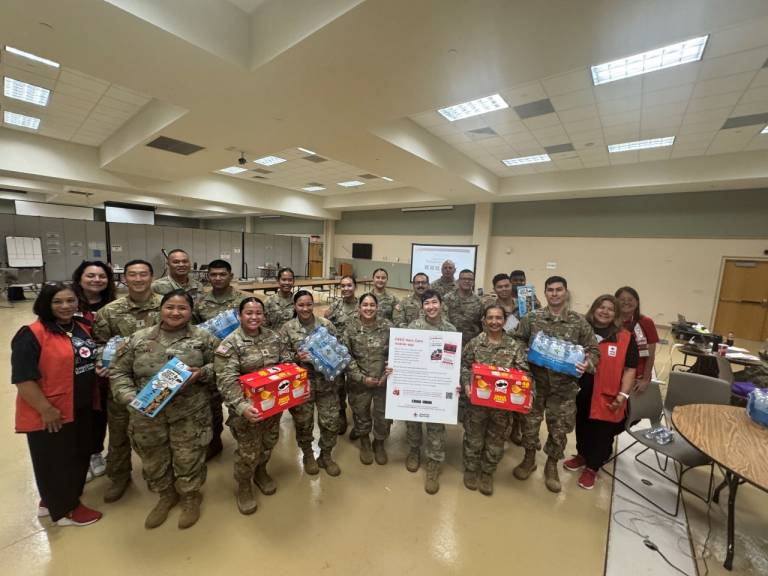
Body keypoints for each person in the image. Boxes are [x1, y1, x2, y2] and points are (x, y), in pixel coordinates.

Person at [110, 290, 217, 530]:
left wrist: (202, 373)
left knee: (188, 456)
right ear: (161, 309)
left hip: (190, 411)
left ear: (191, 311)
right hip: (147, 413)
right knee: (153, 458)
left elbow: (220, 366)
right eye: (170, 307)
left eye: (182, 308)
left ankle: (190, 496)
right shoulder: (137, 339)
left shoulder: (204, 338)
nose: (175, 313)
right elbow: (118, 372)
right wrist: (130, 397)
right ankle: (165, 495)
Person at [11, 282, 103, 526]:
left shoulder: (82, 327)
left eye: (70, 301)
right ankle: (66, 510)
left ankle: (51, 499)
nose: (65, 306)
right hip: (52, 410)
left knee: (77, 453)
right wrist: (45, 409)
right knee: (54, 459)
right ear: (45, 304)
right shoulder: (31, 334)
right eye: (57, 302)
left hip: (81, 404)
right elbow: (23, 378)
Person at [513, 276, 600, 493]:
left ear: (565, 292)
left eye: (558, 290)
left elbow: (594, 350)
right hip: (535, 383)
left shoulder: (579, 322)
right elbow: (517, 339)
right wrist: (523, 352)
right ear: (545, 293)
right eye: (550, 290)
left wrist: (587, 364)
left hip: (564, 388)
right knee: (530, 425)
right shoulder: (532, 318)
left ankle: (551, 465)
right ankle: (529, 458)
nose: (554, 294)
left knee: (559, 429)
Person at [93, 259, 162, 503]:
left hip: (157, 382)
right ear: (125, 279)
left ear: (151, 277)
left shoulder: (166, 305)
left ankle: (155, 475)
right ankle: (119, 477)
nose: (139, 279)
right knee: (120, 432)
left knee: (154, 433)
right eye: (133, 274)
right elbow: (99, 343)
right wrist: (102, 361)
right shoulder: (110, 311)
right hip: (123, 382)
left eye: (144, 274)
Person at [214, 297, 292, 514]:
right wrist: (241, 407)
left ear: (264, 315)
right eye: (249, 313)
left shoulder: (273, 337)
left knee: (268, 442)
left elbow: (285, 364)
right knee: (248, 451)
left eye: (258, 313)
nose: (254, 317)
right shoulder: (229, 344)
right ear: (240, 315)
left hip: (272, 407)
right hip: (247, 411)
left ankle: (261, 471)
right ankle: (244, 484)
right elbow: (226, 380)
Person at [565, 295, 637, 490]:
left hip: (608, 394)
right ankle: (582, 455)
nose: (605, 311)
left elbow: (631, 369)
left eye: (610, 309)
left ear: (616, 313)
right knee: (582, 423)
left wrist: (623, 395)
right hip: (581, 390)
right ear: (594, 309)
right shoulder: (582, 329)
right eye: (601, 307)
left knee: (602, 432)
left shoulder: (624, 336)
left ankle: (592, 467)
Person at [461, 303, 530, 495]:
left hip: (502, 407)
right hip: (476, 405)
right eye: (490, 317)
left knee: (496, 440)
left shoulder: (514, 347)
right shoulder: (475, 343)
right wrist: (467, 383)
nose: (494, 322)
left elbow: (525, 375)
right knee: (473, 438)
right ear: (484, 320)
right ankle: (471, 469)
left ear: (505, 321)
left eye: (498, 318)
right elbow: (465, 366)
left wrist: (526, 395)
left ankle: (487, 472)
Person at [280, 290, 342, 476]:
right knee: (304, 422)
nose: (305, 308)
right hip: (302, 386)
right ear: (295, 306)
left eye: (309, 304)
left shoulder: (326, 325)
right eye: (301, 305)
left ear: (313, 305)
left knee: (330, 421)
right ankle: (307, 453)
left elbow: (339, 350)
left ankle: (326, 455)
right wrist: (296, 357)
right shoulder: (288, 328)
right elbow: (281, 358)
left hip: (326, 384)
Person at [405, 289, 457, 495]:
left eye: (434, 302)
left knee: (436, 425)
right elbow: (406, 355)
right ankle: (413, 450)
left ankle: (434, 464)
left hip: (438, 386)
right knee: (413, 421)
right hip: (417, 383)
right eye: (427, 304)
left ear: (441, 304)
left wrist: (454, 382)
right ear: (422, 307)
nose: (431, 307)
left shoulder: (451, 330)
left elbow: (453, 362)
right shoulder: (414, 327)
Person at [193, 258, 245, 460]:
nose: (218, 278)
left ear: (230, 276)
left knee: (239, 404)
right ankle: (215, 442)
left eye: (222, 274)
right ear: (208, 277)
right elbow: (194, 331)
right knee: (211, 405)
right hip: (211, 362)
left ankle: (245, 444)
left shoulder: (242, 300)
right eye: (213, 274)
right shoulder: (200, 303)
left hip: (238, 361)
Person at [72, 261, 117, 482]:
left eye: (101, 276)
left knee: (100, 413)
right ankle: (80, 456)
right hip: (76, 369)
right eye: (90, 275)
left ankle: (96, 452)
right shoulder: (69, 303)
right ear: (80, 278)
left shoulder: (113, 305)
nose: (96, 280)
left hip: (105, 369)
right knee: (80, 413)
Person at [341, 293, 393, 465]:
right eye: (365, 305)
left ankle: (378, 443)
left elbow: (396, 354)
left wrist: (386, 375)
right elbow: (345, 356)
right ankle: (364, 441)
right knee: (360, 413)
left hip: (383, 382)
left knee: (383, 415)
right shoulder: (350, 328)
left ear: (377, 307)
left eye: (372, 305)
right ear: (359, 307)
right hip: (359, 382)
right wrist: (362, 378)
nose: (368, 308)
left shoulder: (387, 327)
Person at [483, 273, 525, 445]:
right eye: (499, 286)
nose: (504, 289)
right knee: (499, 390)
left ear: (511, 285)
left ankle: (515, 428)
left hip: (519, 352)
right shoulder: (490, 306)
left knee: (518, 390)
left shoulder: (523, 303)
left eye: (506, 285)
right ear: (495, 289)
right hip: (497, 351)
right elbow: (485, 327)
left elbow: (532, 325)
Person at [324, 275, 358, 437]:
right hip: (336, 355)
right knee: (338, 386)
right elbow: (324, 327)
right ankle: (341, 413)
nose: (346, 288)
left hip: (356, 354)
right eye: (343, 286)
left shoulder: (362, 305)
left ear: (355, 287)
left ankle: (360, 420)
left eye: (349, 285)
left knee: (356, 388)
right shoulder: (334, 307)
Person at [615, 286, 658, 392]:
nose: (626, 302)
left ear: (637, 302)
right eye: (622, 299)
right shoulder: (611, 320)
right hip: (613, 373)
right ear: (615, 301)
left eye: (630, 299)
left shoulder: (646, 322)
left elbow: (651, 355)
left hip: (637, 375)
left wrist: (646, 379)